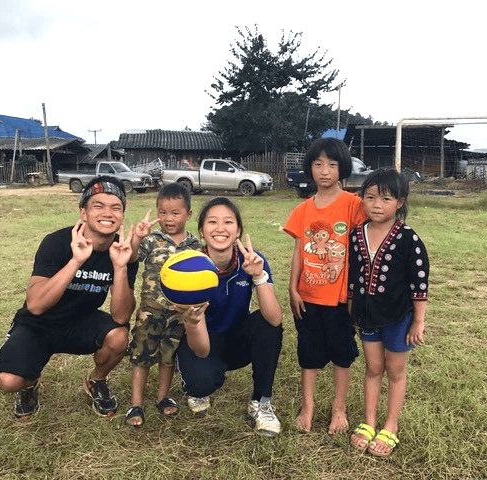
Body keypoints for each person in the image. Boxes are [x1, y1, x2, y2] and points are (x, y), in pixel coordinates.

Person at [0, 176, 138, 419]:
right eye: (98, 206)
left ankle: (97, 381)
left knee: (119, 335)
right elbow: (36, 305)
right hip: (38, 324)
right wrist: (76, 261)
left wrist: (121, 267)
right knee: (9, 381)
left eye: (116, 208)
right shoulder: (57, 242)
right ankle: (29, 384)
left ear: (122, 215)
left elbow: (121, 315)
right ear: (83, 212)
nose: (108, 213)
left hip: (81, 321)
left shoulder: (123, 250)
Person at [176, 197, 284, 437]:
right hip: (202, 339)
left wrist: (259, 276)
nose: (220, 228)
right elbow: (202, 350)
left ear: (238, 230)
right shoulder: (190, 267)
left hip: (236, 337)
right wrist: (192, 320)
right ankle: (200, 382)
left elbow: (275, 319)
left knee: (266, 326)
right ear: (202, 231)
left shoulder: (253, 260)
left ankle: (261, 403)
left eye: (228, 221)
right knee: (202, 384)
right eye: (212, 222)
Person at [283, 138, 366, 434]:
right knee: (309, 354)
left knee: (342, 355)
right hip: (307, 297)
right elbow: (298, 251)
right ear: (310, 169)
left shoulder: (354, 205)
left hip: (341, 299)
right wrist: (293, 289)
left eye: (332, 164)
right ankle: (308, 407)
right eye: (318, 164)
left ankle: (338, 409)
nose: (325, 171)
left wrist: (358, 295)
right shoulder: (302, 210)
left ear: (342, 168)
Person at [348, 168, 428, 456]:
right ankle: (369, 422)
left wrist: (417, 321)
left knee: (395, 371)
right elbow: (353, 278)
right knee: (373, 368)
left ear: (401, 202)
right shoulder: (356, 235)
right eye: (369, 197)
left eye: (385, 198)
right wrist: (352, 313)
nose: (376, 204)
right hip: (367, 317)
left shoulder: (409, 239)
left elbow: (419, 283)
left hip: (398, 318)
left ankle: (390, 425)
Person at [125, 183, 203, 427]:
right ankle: (136, 404)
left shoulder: (194, 245)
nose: (168, 218)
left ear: (188, 214)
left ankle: (163, 397)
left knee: (167, 357)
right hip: (150, 311)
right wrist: (137, 237)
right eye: (163, 212)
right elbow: (131, 256)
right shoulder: (151, 239)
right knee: (141, 357)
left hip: (178, 314)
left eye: (175, 213)